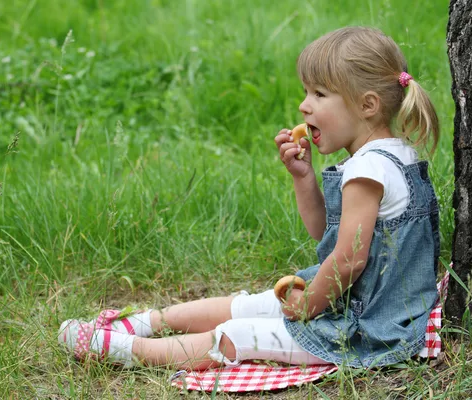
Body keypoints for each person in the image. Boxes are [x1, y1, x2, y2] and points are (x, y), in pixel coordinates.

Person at [58, 26, 441, 370]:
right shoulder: (393, 155)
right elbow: (326, 231)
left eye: (320, 94)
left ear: (367, 105)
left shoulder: (367, 171)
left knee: (237, 334)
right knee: (252, 304)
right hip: (354, 302)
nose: (304, 105)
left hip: (368, 325)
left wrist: (308, 306)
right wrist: (303, 178)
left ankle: (126, 349)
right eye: (306, 91)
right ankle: (144, 321)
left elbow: (348, 260)